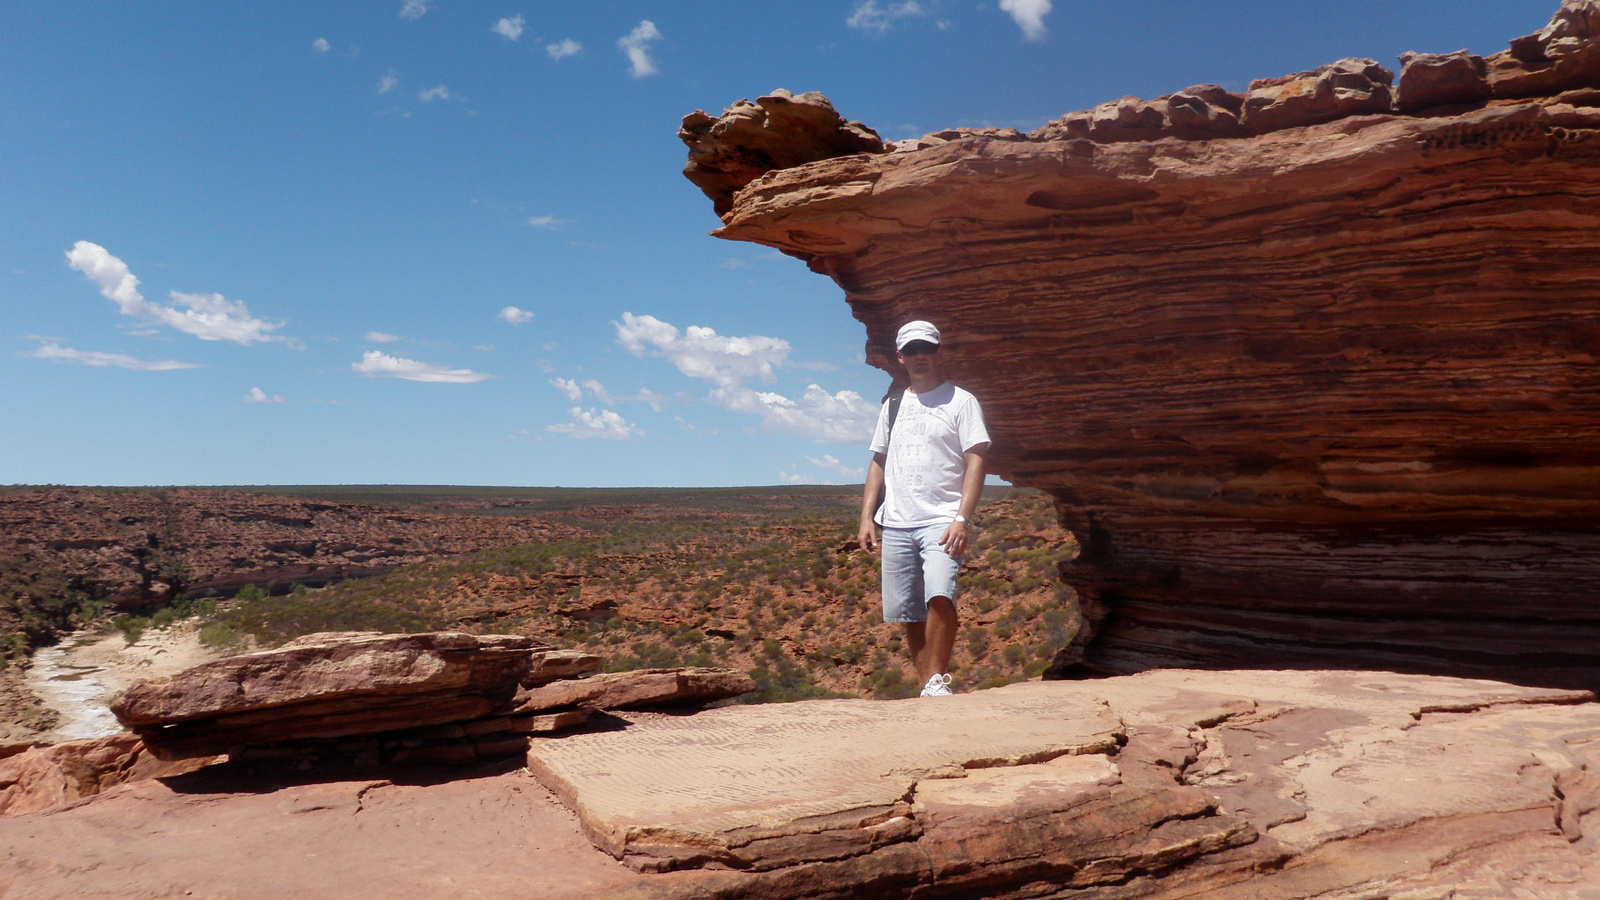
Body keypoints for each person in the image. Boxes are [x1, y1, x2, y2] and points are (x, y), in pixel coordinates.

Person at [858, 320, 989, 698]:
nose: (920, 357)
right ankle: (927, 687)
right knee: (908, 611)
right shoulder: (894, 404)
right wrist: (867, 517)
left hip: (942, 520)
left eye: (926, 349)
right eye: (912, 350)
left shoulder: (961, 401)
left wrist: (962, 518)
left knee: (939, 595)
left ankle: (937, 678)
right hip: (897, 521)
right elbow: (877, 461)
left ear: (938, 354)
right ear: (900, 357)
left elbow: (976, 458)